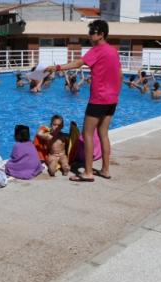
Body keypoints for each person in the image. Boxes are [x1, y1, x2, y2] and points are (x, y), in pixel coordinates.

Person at [45, 19, 121, 182]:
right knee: (103, 134)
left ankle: (88, 172)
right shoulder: (113, 51)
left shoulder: (97, 50)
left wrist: (57, 67)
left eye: (92, 32)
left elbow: (78, 63)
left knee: (87, 134)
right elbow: (119, 74)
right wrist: (115, 95)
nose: (89, 35)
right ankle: (106, 170)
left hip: (99, 99)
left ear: (101, 34)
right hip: (112, 99)